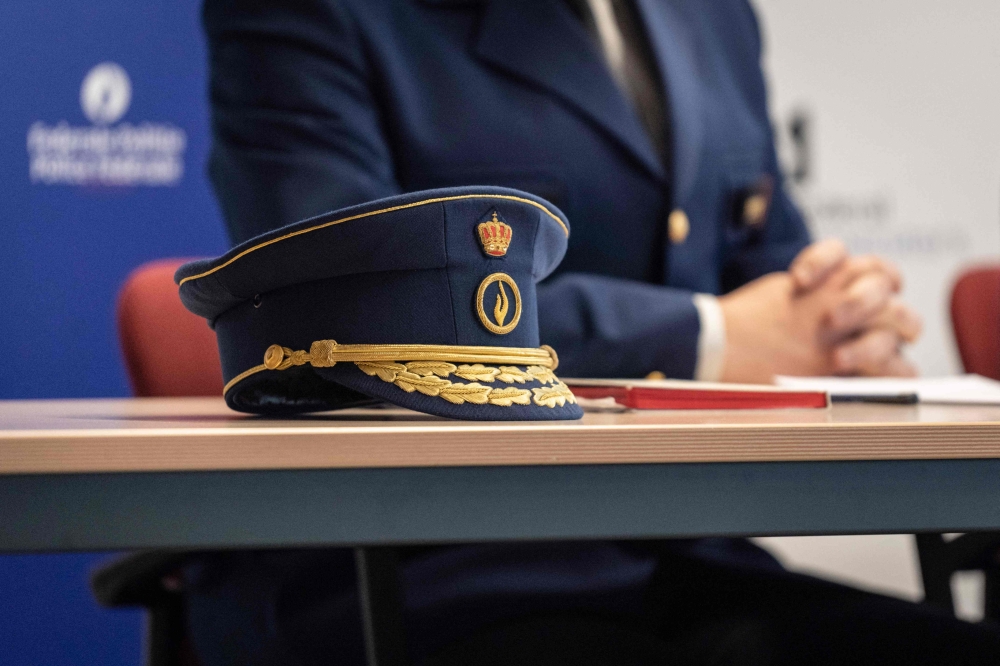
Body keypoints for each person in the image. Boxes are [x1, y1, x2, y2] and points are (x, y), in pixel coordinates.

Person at [184, 0, 994, 664]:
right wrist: (705, 336)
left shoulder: (714, 15)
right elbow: (344, 304)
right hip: (419, 571)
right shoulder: (313, 11)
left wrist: (840, 324)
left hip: (685, 557)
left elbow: (770, 265)